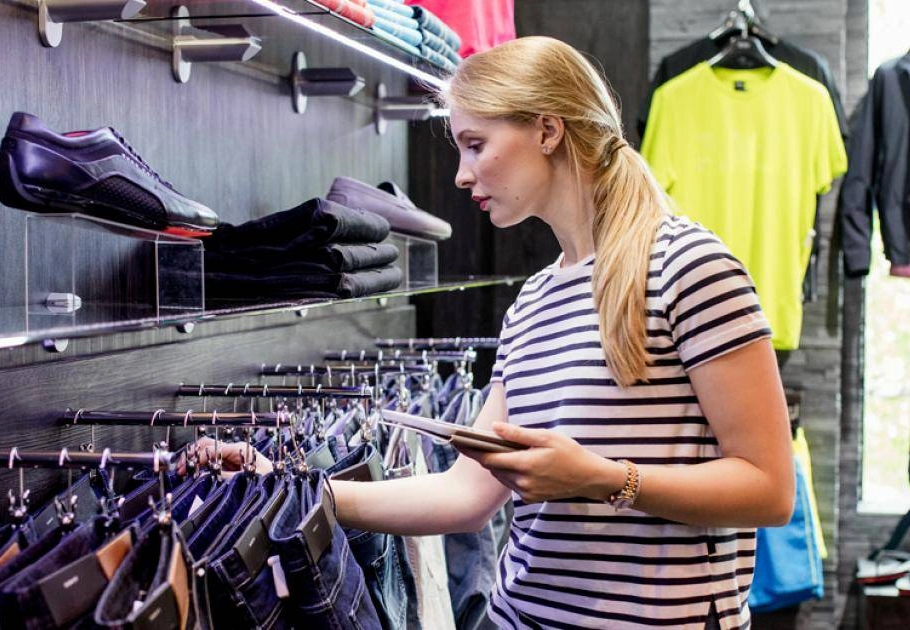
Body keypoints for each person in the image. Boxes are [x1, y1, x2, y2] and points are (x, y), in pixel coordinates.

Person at [193, 36, 794, 630]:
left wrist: (606, 479)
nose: (460, 175)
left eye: (476, 145)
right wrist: (290, 487)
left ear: (547, 130)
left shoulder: (691, 267)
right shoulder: (533, 301)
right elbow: (464, 495)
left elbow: (769, 489)